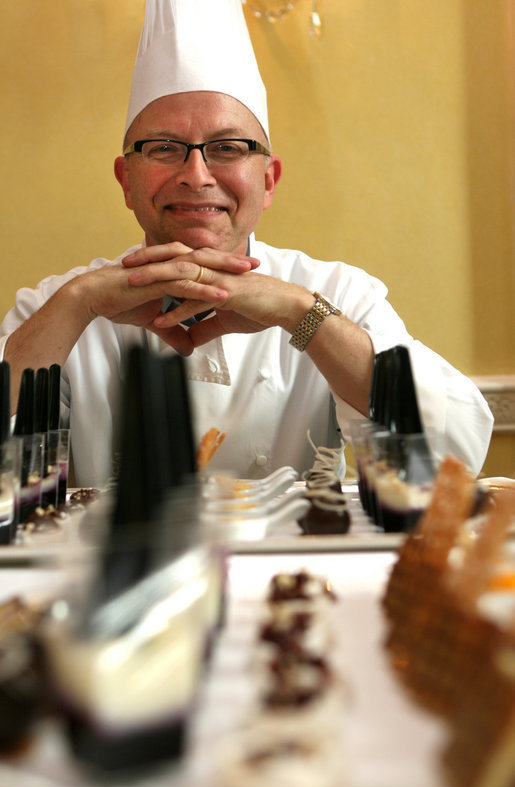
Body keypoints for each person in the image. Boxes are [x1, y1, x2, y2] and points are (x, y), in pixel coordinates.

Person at [0, 0, 493, 487]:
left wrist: (305, 318)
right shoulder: (54, 305)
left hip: (299, 568)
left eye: (228, 148)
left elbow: (456, 453)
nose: (196, 176)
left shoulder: (336, 292)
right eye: (164, 148)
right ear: (125, 179)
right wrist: (78, 306)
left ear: (269, 180)